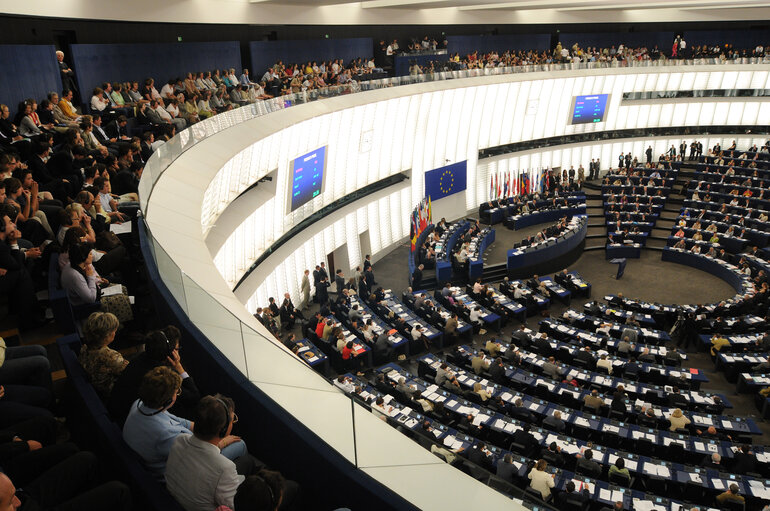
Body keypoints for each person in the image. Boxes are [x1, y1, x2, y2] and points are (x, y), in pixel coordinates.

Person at [123, 367, 245, 479]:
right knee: (240, 445)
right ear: (168, 400)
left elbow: (179, 421)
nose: (177, 395)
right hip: (172, 475)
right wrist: (222, 442)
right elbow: (199, 457)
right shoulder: (168, 435)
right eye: (177, 392)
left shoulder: (141, 404)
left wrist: (205, 425)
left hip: (169, 457)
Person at [109, 327, 200, 424]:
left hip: (117, 413)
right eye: (176, 349)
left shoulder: (137, 358)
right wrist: (179, 367)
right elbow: (194, 396)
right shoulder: (162, 376)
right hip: (127, 420)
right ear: (169, 353)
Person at [78, 311, 128, 398]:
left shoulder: (84, 347)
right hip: (108, 393)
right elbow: (129, 371)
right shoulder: (112, 357)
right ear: (107, 335)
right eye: (114, 330)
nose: (115, 332)